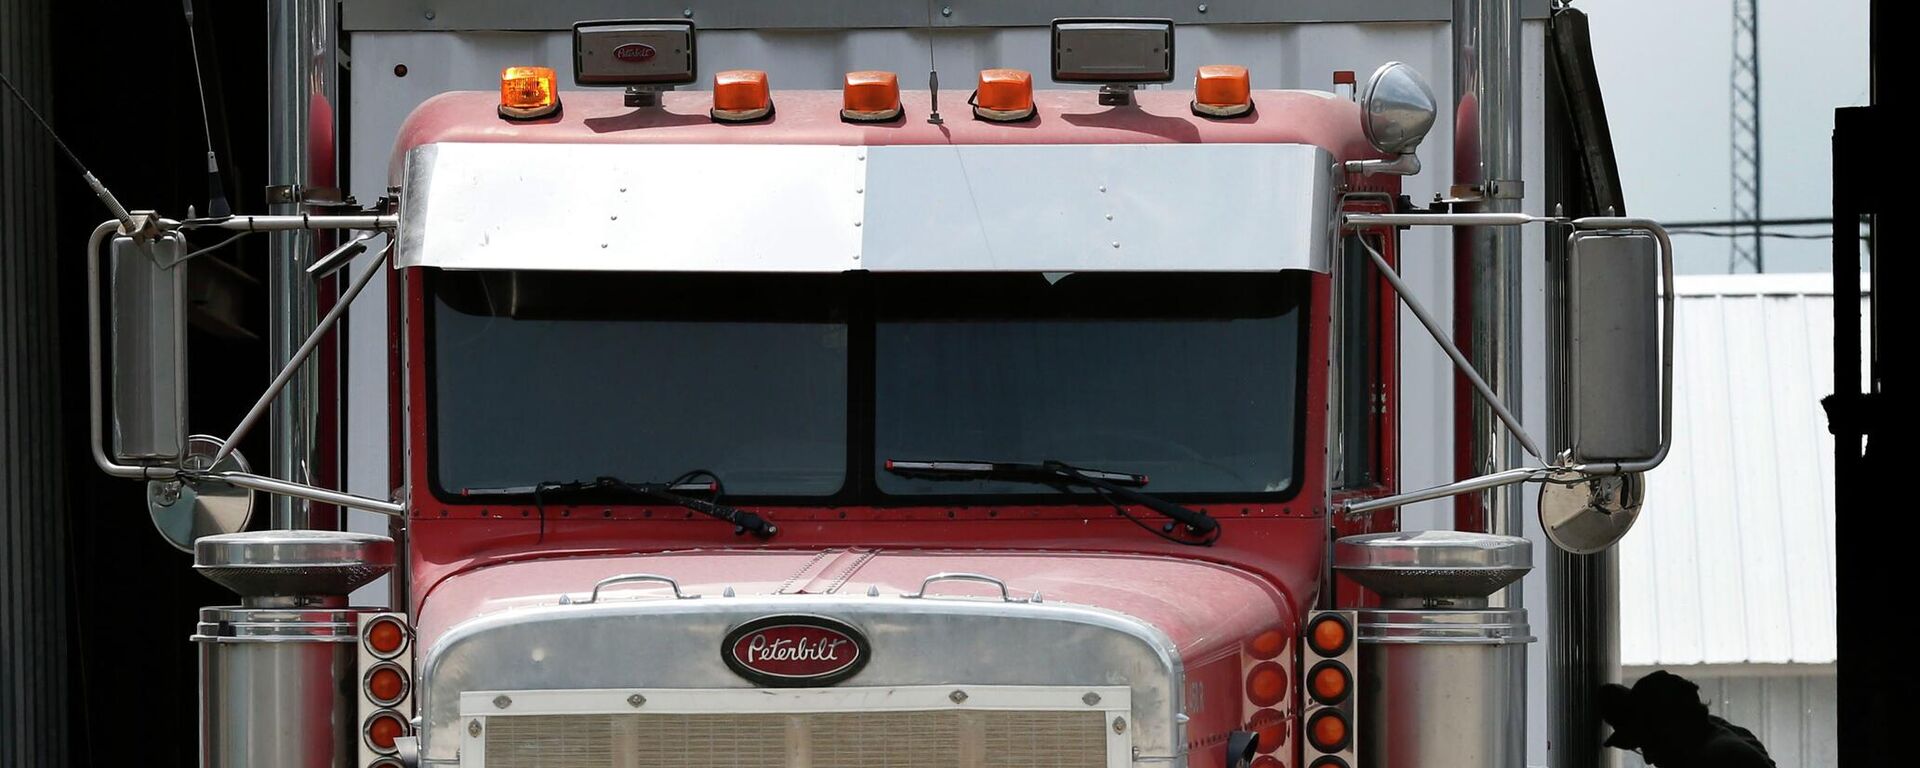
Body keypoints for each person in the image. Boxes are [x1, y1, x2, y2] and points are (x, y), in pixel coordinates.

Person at [1598, 670, 1775, 768]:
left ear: (1671, 729)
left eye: (1649, 744)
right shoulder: (1723, 734)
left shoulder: (1716, 760)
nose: (1648, 760)